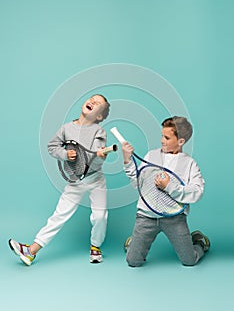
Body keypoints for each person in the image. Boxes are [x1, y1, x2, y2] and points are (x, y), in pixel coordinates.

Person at [9, 94, 110, 265]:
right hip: (75, 183)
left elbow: (96, 157)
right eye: (92, 99)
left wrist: (100, 156)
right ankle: (31, 251)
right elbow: (52, 147)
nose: (93, 102)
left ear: (99, 116)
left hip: (95, 180)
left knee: (100, 216)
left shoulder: (99, 132)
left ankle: (95, 246)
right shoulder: (66, 128)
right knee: (59, 215)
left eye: (98, 103)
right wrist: (64, 154)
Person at [122, 116, 210, 267]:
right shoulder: (151, 155)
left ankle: (199, 242)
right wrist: (127, 161)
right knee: (133, 261)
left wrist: (169, 186)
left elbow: (197, 191)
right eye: (162, 135)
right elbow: (138, 184)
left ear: (180, 141)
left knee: (189, 261)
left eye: (167, 137)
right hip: (146, 217)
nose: (162, 140)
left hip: (174, 218)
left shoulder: (189, 163)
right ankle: (134, 243)